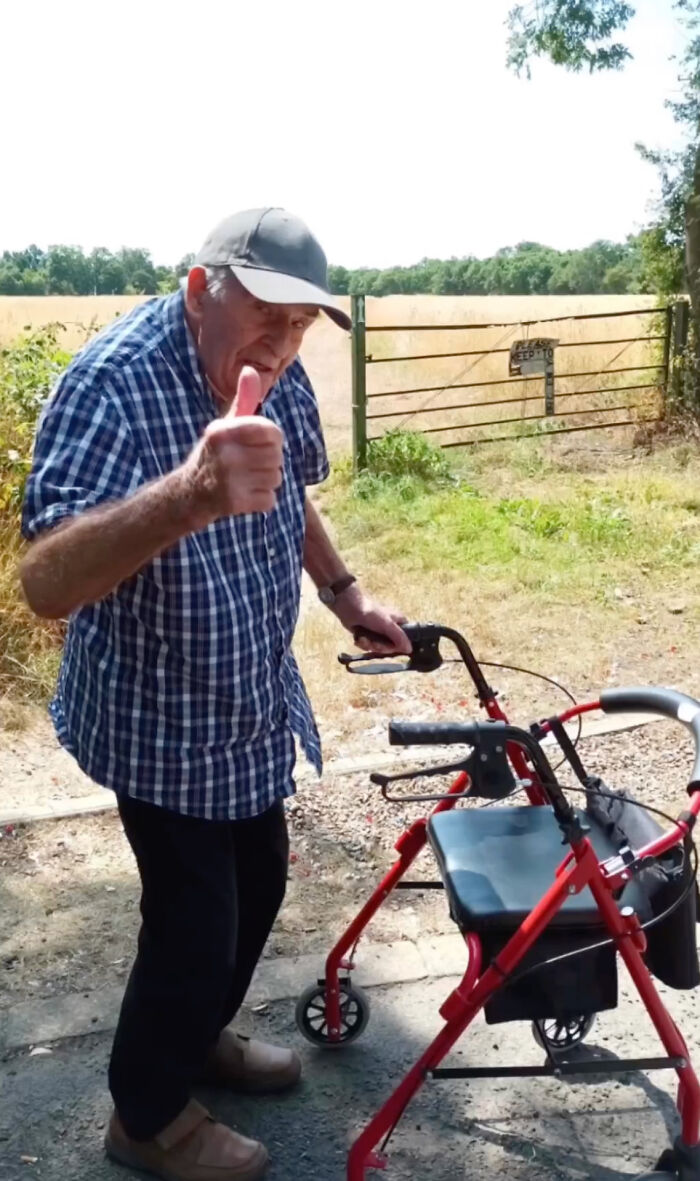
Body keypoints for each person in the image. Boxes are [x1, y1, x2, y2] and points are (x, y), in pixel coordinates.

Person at [20, 207, 411, 1181]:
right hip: (155, 715)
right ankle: (145, 1116)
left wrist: (344, 590)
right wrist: (190, 491)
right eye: (266, 315)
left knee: (261, 883)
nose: (280, 344)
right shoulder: (110, 384)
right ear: (201, 290)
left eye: (301, 325)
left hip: (245, 697)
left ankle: (194, 1041)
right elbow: (45, 583)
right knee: (194, 922)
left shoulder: (276, 370)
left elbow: (292, 491)